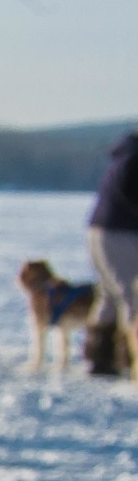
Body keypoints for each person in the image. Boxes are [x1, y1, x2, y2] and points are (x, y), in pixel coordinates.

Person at [88, 127, 138, 377]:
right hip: (121, 233)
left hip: (101, 230)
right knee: (131, 295)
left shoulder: (127, 154)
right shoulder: (133, 158)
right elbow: (130, 194)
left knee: (110, 293)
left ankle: (100, 356)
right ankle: (129, 357)